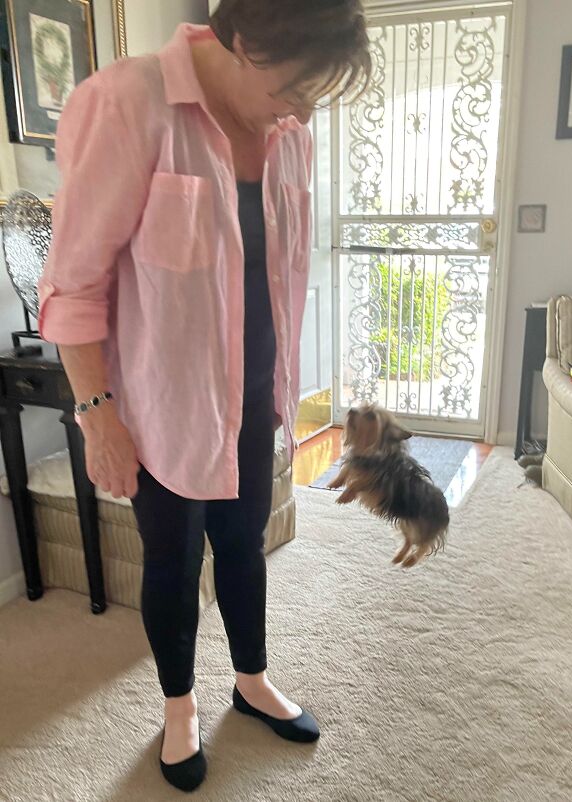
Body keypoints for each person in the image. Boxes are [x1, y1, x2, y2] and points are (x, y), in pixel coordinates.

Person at [37, 1, 371, 792]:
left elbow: (279, 273)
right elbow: (74, 286)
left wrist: (282, 395)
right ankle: (179, 707)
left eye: (317, 95)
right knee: (173, 555)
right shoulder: (128, 101)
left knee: (245, 544)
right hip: (163, 405)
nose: (304, 108)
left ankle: (251, 682)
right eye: (297, 86)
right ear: (247, 41)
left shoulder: (291, 135)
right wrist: (98, 419)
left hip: (255, 394)